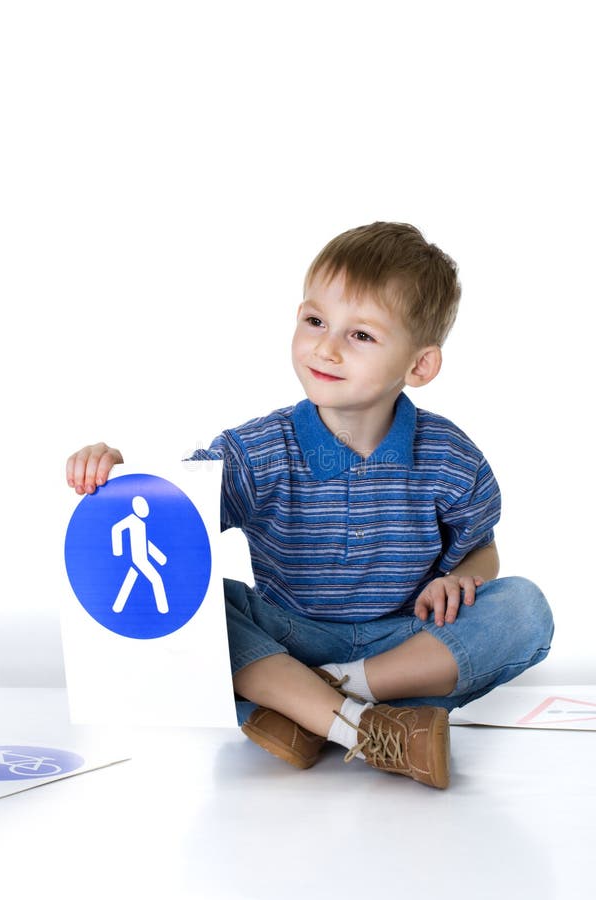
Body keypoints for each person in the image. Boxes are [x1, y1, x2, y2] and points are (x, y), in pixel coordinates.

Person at [66, 222, 554, 789]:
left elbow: (482, 551)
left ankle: (310, 705)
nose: (325, 346)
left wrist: (462, 579)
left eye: (361, 336)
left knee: (524, 607)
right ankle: (365, 729)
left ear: (419, 366)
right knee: (201, 605)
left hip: (402, 644)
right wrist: (119, 476)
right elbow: (174, 520)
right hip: (286, 636)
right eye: (315, 321)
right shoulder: (255, 452)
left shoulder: (447, 456)